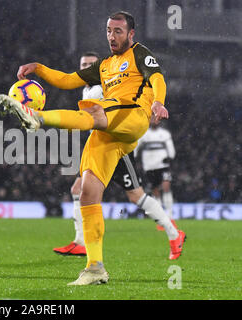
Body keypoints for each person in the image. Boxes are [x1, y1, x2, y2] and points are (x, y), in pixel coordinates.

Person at [0, 11, 186, 286]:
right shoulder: (104, 66)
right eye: (109, 31)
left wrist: (158, 101)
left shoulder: (138, 53)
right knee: (87, 193)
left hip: (134, 115)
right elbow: (66, 80)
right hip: (109, 129)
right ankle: (95, 267)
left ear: (131, 34)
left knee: (96, 112)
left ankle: (37, 118)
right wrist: (38, 67)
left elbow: (157, 76)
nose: (112, 36)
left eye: (118, 31)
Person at [53, 53, 182, 258]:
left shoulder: (101, 88)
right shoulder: (87, 90)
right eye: (83, 65)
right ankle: (80, 242)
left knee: (136, 195)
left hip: (115, 146)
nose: (86, 68)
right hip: (96, 147)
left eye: (90, 65)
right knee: (78, 188)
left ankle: (174, 233)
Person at [135, 121, 176, 227]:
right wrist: (132, 157)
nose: (154, 120)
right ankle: (161, 219)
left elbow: (170, 148)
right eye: (152, 117)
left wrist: (170, 156)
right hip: (149, 167)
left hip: (163, 165)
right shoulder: (144, 134)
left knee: (166, 187)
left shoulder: (165, 134)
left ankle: (170, 217)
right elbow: (136, 147)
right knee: (155, 191)